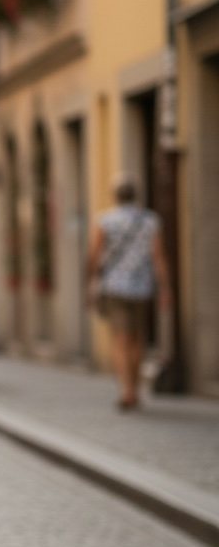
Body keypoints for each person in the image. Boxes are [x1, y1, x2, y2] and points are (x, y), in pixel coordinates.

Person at [87, 174, 170, 410]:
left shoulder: (105, 220)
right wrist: (164, 287)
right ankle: (136, 388)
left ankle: (127, 390)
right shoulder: (150, 220)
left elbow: (94, 254)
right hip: (142, 287)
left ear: (115, 196)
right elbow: (158, 256)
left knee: (120, 339)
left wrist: (91, 282)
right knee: (137, 339)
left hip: (114, 286)